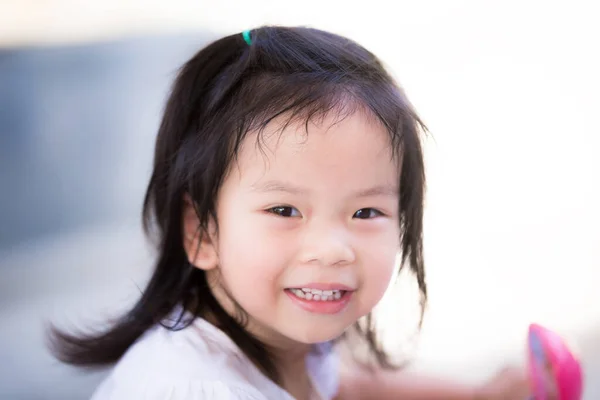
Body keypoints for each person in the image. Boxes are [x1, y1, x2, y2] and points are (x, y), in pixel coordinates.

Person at [49, 26, 533, 399]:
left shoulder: (280, 335)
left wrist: (480, 393)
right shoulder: (189, 388)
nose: (332, 248)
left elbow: (352, 385)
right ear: (202, 233)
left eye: (366, 212)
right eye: (285, 209)